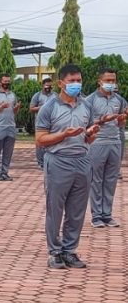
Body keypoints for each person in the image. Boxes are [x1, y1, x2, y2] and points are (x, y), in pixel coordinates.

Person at [35, 64, 99, 269]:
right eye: (71, 81)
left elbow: (87, 138)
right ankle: (54, 252)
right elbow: (40, 139)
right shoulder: (49, 107)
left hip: (82, 160)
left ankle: (70, 250)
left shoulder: (86, 106)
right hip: (58, 161)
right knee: (55, 208)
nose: (76, 84)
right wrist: (64, 134)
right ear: (60, 83)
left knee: (77, 210)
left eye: (78, 80)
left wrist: (90, 135)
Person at [86, 68, 126, 228]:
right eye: (108, 80)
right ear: (100, 81)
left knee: (111, 180)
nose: (111, 83)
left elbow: (121, 123)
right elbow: (87, 123)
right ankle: (96, 216)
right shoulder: (90, 100)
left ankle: (107, 214)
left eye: (113, 80)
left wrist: (122, 119)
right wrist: (102, 120)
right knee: (96, 179)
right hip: (98, 143)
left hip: (115, 142)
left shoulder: (120, 100)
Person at [29, 78, 56, 169]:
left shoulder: (55, 95)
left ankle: (50, 161)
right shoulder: (37, 96)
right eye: (47, 85)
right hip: (40, 123)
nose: (49, 87)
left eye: (50, 85)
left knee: (51, 142)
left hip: (52, 123)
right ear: (43, 85)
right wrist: (43, 107)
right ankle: (41, 162)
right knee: (40, 143)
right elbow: (32, 108)